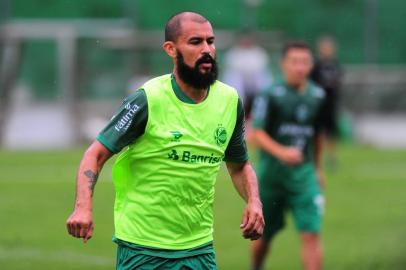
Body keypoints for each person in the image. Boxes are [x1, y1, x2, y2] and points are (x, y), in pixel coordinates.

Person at [66, 11, 264, 270]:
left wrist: (254, 201)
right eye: (195, 42)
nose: (207, 49)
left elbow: (239, 165)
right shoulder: (147, 99)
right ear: (171, 49)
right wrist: (83, 207)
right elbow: (95, 154)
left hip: (199, 249)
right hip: (143, 248)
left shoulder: (229, 101)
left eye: (210, 41)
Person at [251, 41, 326, 270]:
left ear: (311, 65)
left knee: (311, 234)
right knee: (264, 237)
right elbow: (257, 133)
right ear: (283, 64)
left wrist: (317, 167)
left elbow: (318, 135)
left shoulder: (318, 95)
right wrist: (282, 152)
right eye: (294, 61)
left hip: (303, 176)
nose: (299, 67)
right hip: (272, 177)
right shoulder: (270, 94)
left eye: (304, 62)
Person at [222, 31, 273, 120]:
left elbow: (259, 68)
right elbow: (234, 69)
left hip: (254, 82)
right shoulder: (233, 53)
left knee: (261, 77)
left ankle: (263, 107)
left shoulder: (259, 52)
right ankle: (238, 109)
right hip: (240, 83)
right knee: (234, 77)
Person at [310, 36, 343, 169]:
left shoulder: (336, 65)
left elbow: (338, 82)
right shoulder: (316, 66)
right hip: (318, 105)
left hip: (331, 104)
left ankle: (331, 156)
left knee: (332, 131)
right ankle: (317, 156)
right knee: (318, 131)